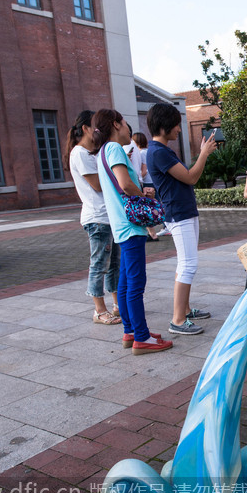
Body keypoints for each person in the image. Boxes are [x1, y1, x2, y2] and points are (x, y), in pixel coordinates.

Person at [93, 108, 172, 355]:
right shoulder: (114, 148)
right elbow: (125, 184)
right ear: (116, 124)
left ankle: (131, 331)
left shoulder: (102, 152)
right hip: (131, 225)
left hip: (120, 225)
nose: (129, 129)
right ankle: (142, 337)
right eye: (126, 123)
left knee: (126, 284)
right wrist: (144, 192)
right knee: (136, 284)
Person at [147, 103, 217, 336]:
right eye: (176, 124)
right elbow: (191, 177)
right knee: (188, 264)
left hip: (184, 211)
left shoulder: (162, 150)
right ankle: (177, 319)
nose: (179, 129)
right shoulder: (158, 152)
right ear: (164, 125)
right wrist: (204, 153)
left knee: (185, 263)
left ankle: (185, 310)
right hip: (179, 213)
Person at [64, 109, 121, 325]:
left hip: (108, 217)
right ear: (86, 128)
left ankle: (117, 305)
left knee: (114, 264)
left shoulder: (91, 153)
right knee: (99, 264)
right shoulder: (79, 153)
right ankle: (99, 310)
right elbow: (97, 185)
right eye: (95, 127)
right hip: (97, 218)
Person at [132, 132, 160, 241]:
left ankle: (153, 234)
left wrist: (138, 178)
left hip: (147, 182)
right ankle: (157, 231)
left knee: (146, 208)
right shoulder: (149, 151)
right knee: (155, 205)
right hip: (154, 181)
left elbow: (144, 170)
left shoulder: (141, 153)